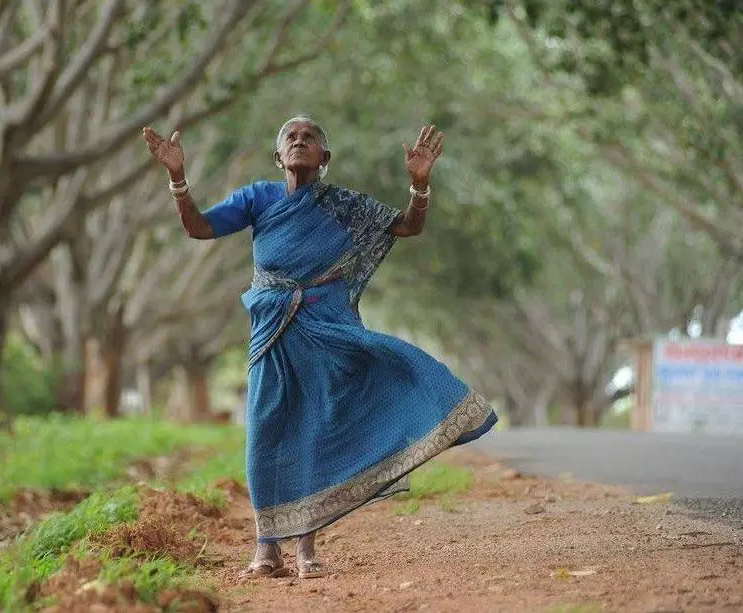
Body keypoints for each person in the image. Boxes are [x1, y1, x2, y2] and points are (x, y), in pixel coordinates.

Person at [142, 116, 497, 579]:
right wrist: (177, 177)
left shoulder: (343, 205)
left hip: (328, 327)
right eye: (290, 136)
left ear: (324, 159)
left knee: (314, 428)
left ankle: (306, 549)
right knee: (266, 430)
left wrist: (421, 186)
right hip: (271, 328)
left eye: (309, 137)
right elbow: (199, 228)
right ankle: (266, 548)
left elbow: (408, 227)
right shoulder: (258, 198)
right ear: (278, 156)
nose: (299, 140)